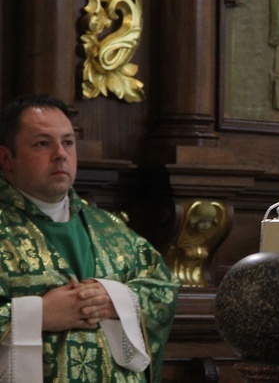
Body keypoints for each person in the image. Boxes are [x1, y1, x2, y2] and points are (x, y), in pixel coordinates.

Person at [0, 94, 180, 382]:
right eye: (42, 143)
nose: (60, 154)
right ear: (7, 159)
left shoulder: (110, 229)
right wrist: (40, 314)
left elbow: (163, 288)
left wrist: (117, 301)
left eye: (68, 142)